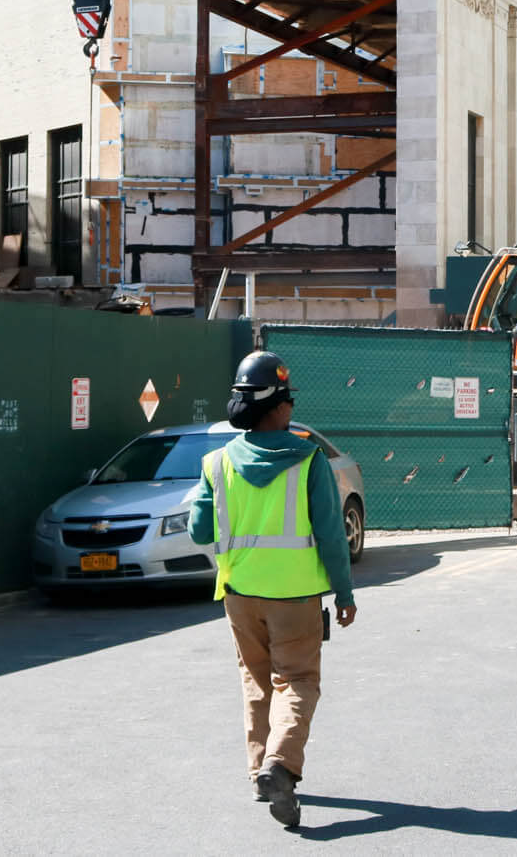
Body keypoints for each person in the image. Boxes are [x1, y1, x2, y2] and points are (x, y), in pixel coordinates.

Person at [188, 350, 356, 831]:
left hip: (239, 593)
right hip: (296, 595)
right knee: (298, 681)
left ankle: (259, 767)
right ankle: (279, 767)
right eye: (288, 400)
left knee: (257, 680)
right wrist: (343, 594)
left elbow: (201, 530)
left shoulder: (216, 464)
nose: (291, 408)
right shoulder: (308, 461)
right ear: (278, 407)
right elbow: (330, 535)